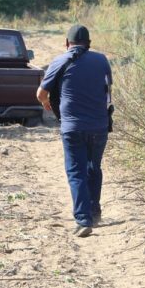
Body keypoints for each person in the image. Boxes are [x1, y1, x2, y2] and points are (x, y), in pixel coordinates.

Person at [36, 24, 113, 238]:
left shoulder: (59, 61)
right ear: (89, 43)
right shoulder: (101, 60)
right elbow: (107, 91)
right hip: (99, 125)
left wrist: (48, 105)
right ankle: (94, 211)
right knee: (93, 167)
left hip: (72, 126)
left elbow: (41, 93)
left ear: (67, 43)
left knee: (76, 171)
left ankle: (83, 219)